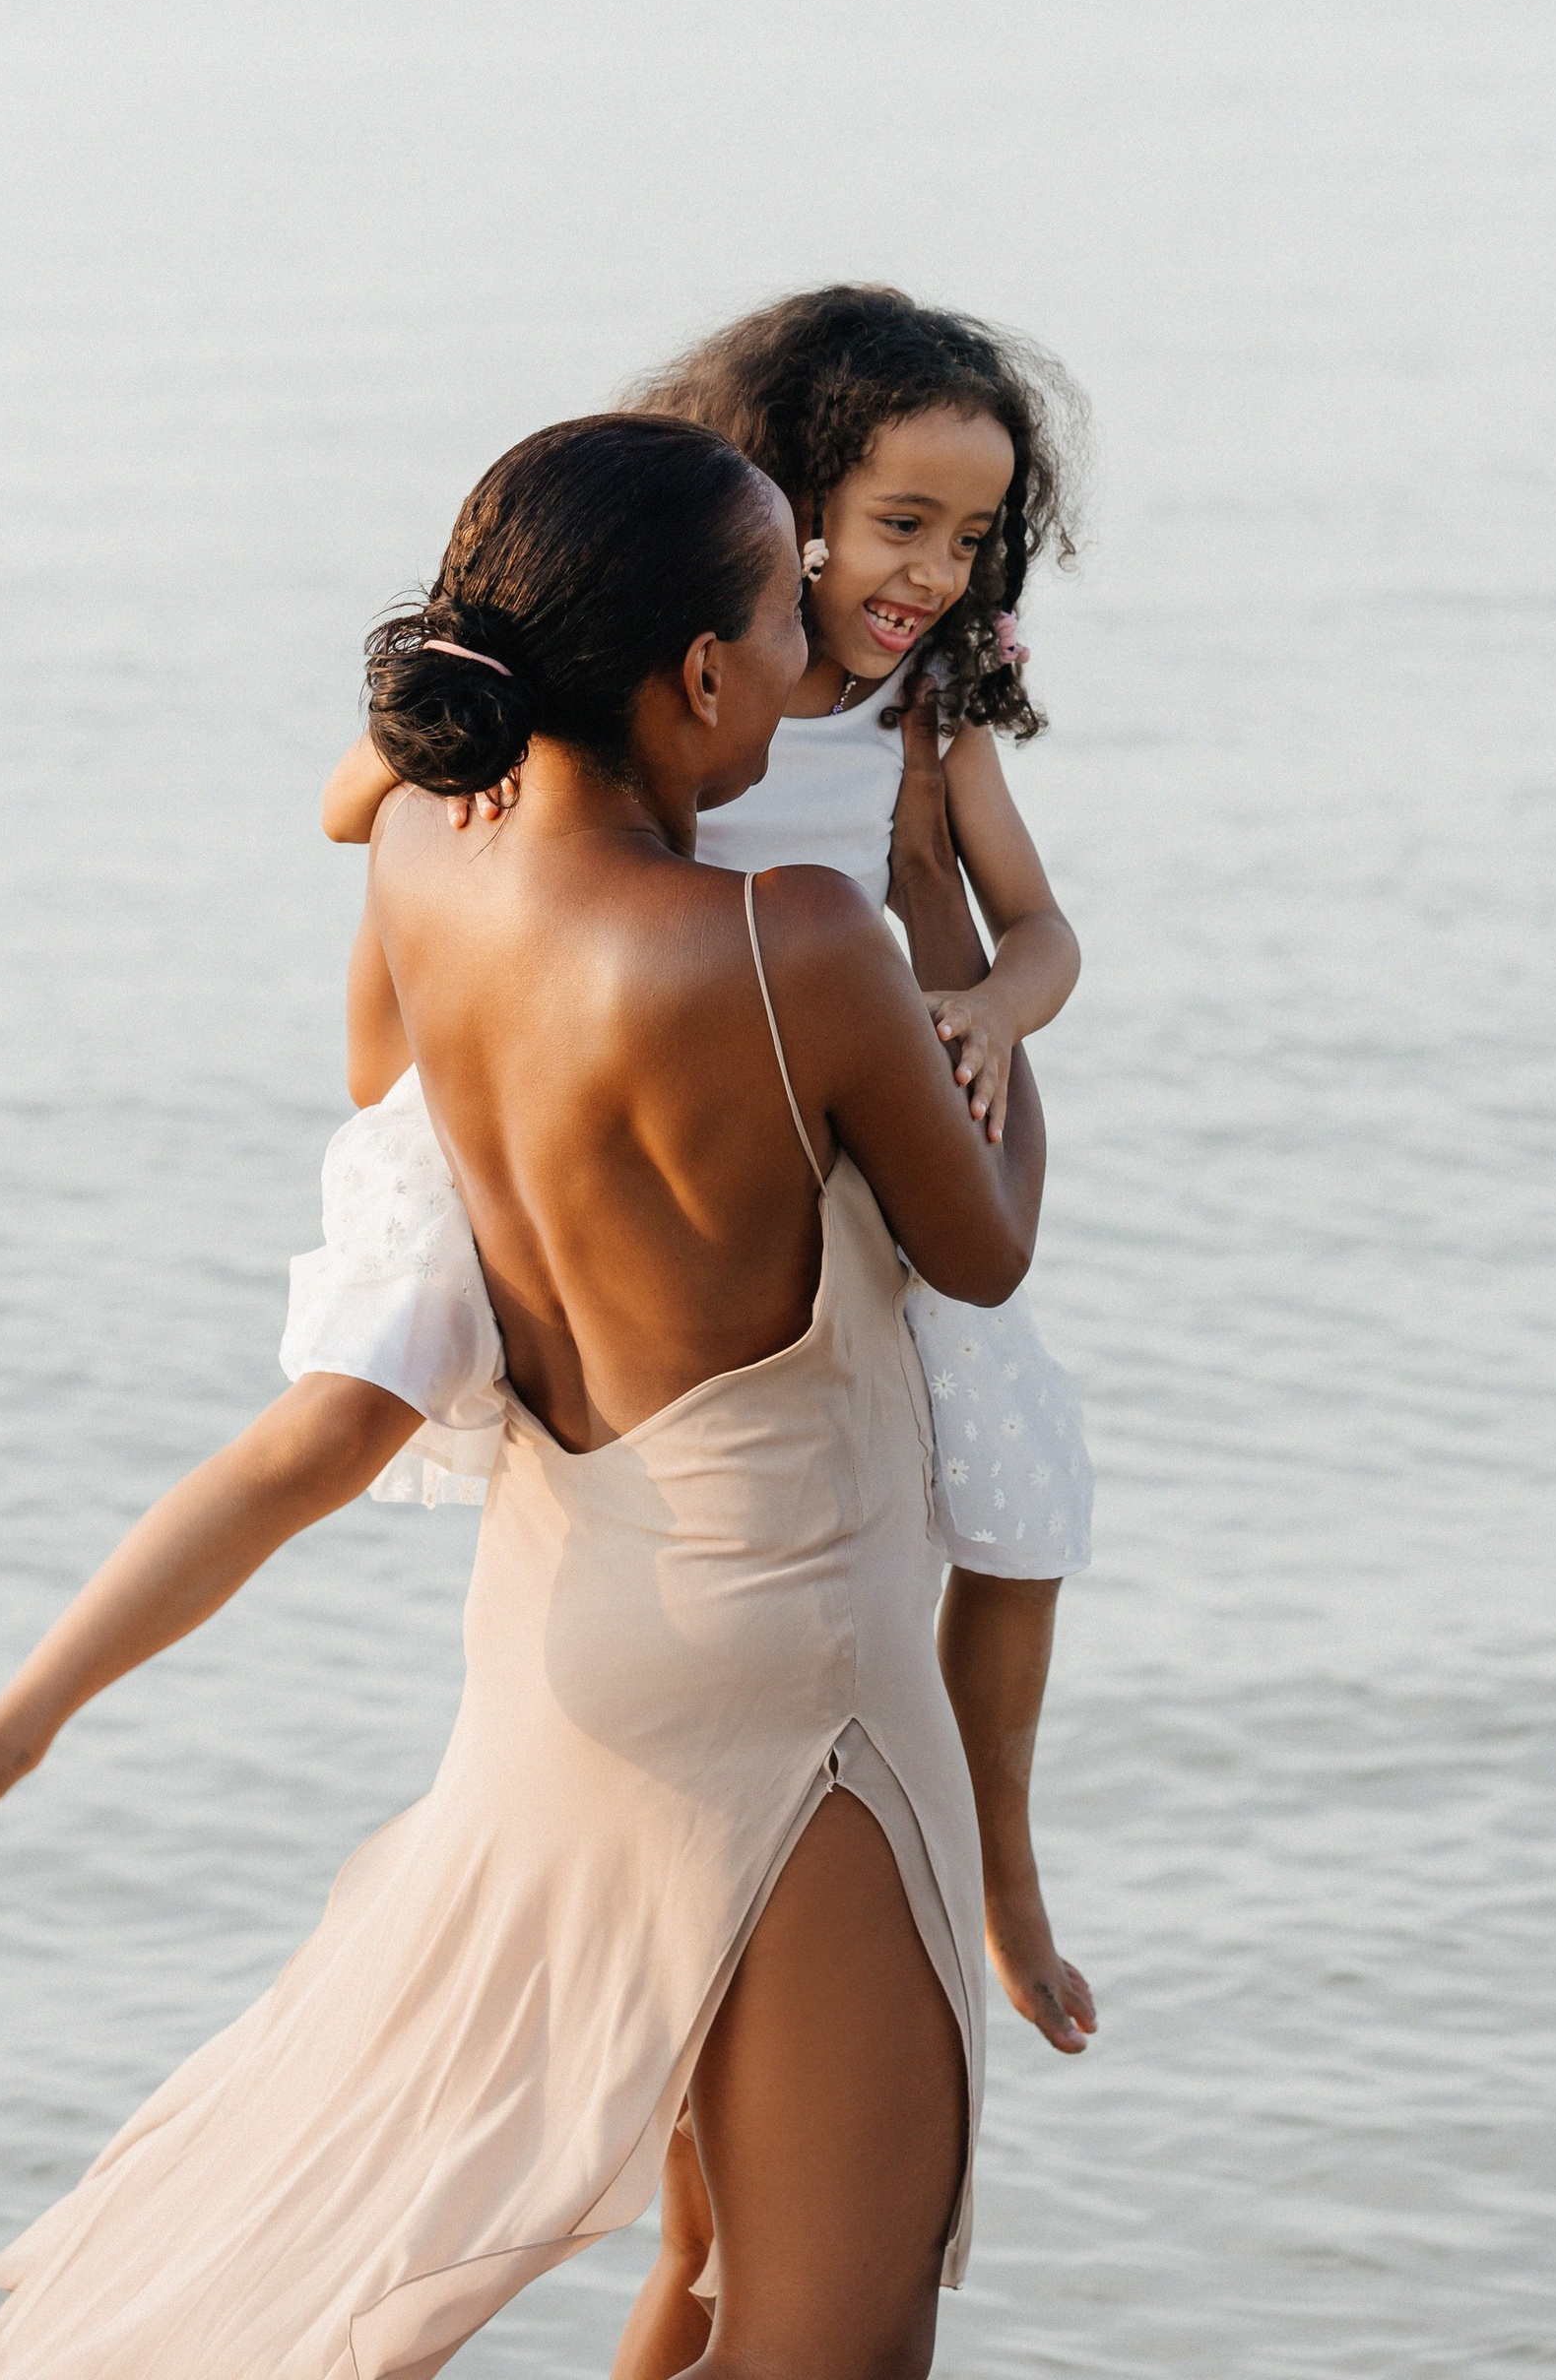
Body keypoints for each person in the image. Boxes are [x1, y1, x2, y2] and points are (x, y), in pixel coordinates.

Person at [0, 413, 1042, 2380]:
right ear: (691, 674)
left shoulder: (419, 852)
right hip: (798, 1670)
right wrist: (970, 968)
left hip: (559, 1645)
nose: (810, 650)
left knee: (693, 2271)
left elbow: (370, 1082)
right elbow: (984, 1245)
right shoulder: (797, 941)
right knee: (828, 2338)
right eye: (780, 618)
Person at [317, 285, 1099, 2072]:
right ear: (790, 506)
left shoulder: (924, 712)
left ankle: (1004, 1874)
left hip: (855, 1110)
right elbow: (364, 797)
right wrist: (447, 755)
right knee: (391, 1412)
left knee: (1026, 1502)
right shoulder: (662, 664)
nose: (937, 571)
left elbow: (1043, 929)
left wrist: (987, 1004)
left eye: (975, 536)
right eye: (902, 523)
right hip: (658, 1121)